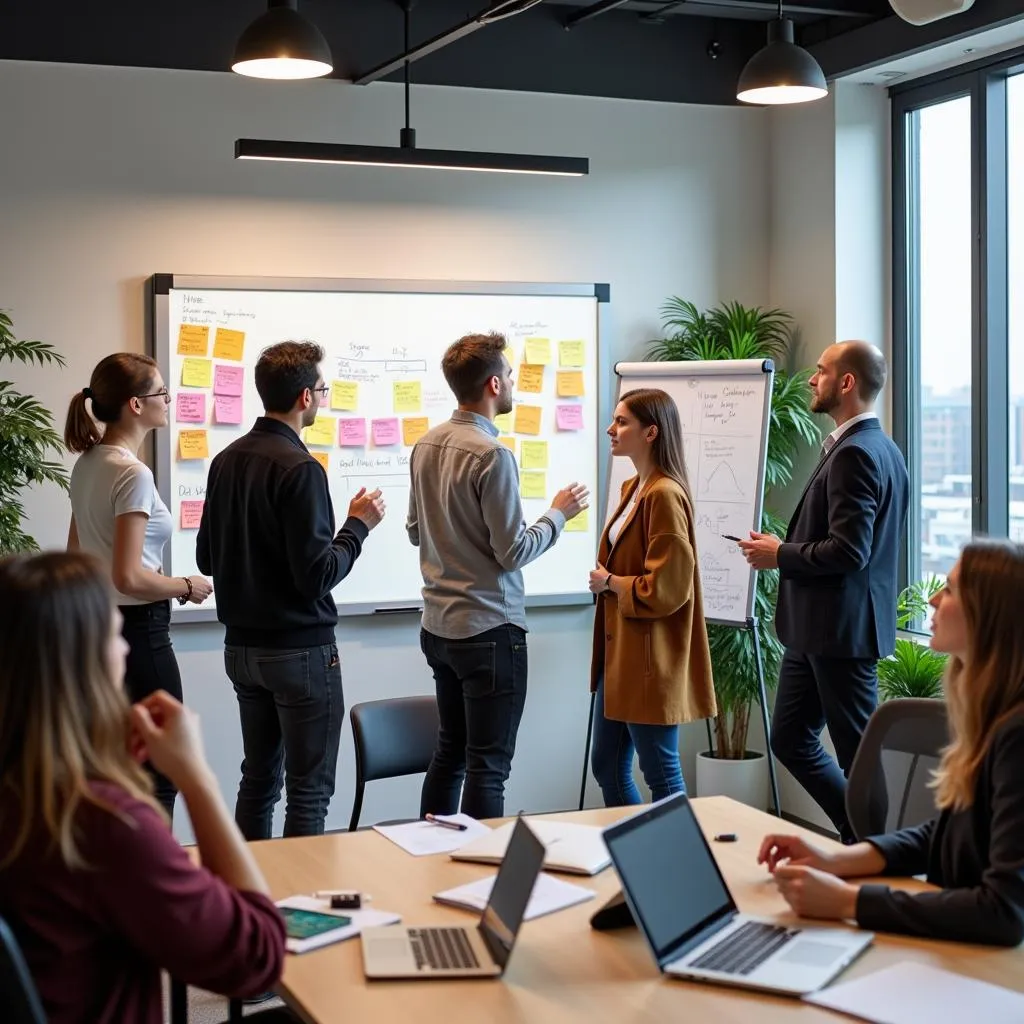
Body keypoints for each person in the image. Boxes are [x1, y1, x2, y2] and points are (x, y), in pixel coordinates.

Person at [0, 552, 285, 1023]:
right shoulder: (100, 821)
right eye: (114, 634)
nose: (126, 649)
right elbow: (257, 959)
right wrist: (195, 775)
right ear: (81, 662)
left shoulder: (34, 802)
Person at [757, 539, 1024, 948]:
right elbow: (948, 832)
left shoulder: (1016, 736)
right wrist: (837, 858)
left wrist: (848, 901)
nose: (933, 599)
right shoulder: (991, 716)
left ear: (989, 615)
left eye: (950, 590)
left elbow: (1003, 913)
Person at [197, 341, 385, 840]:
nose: (322, 398)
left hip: (241, 651)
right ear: (306, 397)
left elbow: (205, 560)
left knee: (258, 780)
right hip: (300, 654)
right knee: (309, 792)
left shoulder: (225, 460)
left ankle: (251, 902)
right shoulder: (301, 469)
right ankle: (299, 908)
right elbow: (316, 577)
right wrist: (357, 526)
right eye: (322, 389)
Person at [408, 331, 589, 819]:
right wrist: (558, 514)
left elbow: (412, 531)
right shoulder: (493, 455)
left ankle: (434, 865)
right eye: (509, 375)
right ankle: (479, 879)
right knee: (488, 766)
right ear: (493, 384)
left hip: (439, 627)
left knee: (449, 753)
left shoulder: (425, 445)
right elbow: (512, 552)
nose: (513, 383)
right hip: (489, 630)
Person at [739, 341, 908, 843]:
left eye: (820, 371)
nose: (812, 380)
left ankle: (878, 854)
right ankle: (856, 836)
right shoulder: (872, 447)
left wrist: (779, 554)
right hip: (816, 631)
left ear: (847, 383)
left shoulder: (857, 453)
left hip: (840, 633)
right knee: (790, 740)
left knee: (858, 756)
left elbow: (849, 552)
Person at [65, 352, 213, 818]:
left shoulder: (89, 464)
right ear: (135, 404)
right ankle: (154, 884)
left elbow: (77, 561)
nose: (168, 400)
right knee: (161, 775)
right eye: (161, 392)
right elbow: (127, 576)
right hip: (143, 635)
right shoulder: (132, 472)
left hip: (103, 635)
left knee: (121, 774)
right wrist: (185, 585)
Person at [587, 389, 716, 805]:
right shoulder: (633, 487)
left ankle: (675, 864)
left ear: (651, 432)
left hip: (648, 660)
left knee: (660, 773)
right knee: (607, 767)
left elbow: (668, 587)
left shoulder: (663, 494)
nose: (611, 428)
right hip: (619, 655)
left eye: (622, 421)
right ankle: (635, 856)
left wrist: (611, 584)